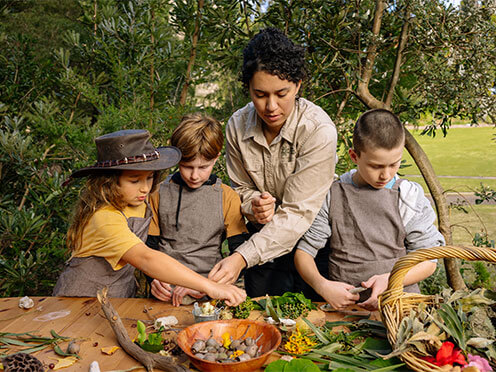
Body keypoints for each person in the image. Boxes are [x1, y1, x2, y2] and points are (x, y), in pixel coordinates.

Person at [208, 27, 338, 298]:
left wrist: (241, 258)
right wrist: (253, 205)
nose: (271, 106)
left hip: (312, 247)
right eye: (260, 95)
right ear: (249, 89)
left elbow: (298, 213)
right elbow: (239, 190)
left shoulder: (318, 130)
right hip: (261, 248)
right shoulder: (236, 127)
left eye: (282, 93)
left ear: (298, 84)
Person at [52, 129, 246, 306]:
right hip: (78, 302)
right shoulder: (103, 218)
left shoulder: (139, 201)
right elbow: (146, 258)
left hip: (117, 301)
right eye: (135, 180)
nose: (145, 188)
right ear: (109, 181)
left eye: (149, 177)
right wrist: (210, 286)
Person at [294, 109, 444, 311]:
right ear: (354, 156)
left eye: (394, 164)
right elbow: (304, 253)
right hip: (347, 309)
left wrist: (390, 280)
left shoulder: (408, 196)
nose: (386, 174)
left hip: (399, 307)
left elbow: (428, 260)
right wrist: (323, 286)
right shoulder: (333, 194)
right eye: (375, 166)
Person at [146, 113, 249, 306]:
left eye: (203, 167)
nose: (194, 175)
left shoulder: (227, 197)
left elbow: (240, 255)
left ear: (216, 158)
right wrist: (153, 280)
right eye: (186, 166)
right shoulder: (157, 193)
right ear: (176, 159)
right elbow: (147, 248)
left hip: (209, 295)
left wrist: (207, 285)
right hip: (165, 293)